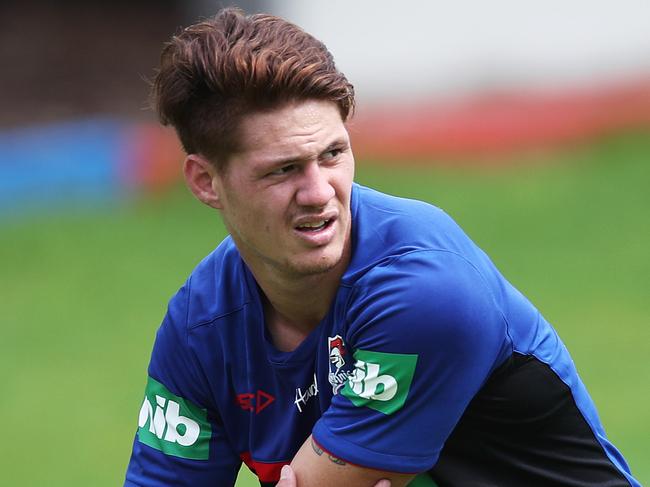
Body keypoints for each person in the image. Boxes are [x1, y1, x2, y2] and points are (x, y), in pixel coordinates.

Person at [124, 8, 639, 487]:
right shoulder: (201, 325)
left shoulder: (428, 289)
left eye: (333, 154)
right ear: (206, 182)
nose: (321, 192)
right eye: (283, 169)